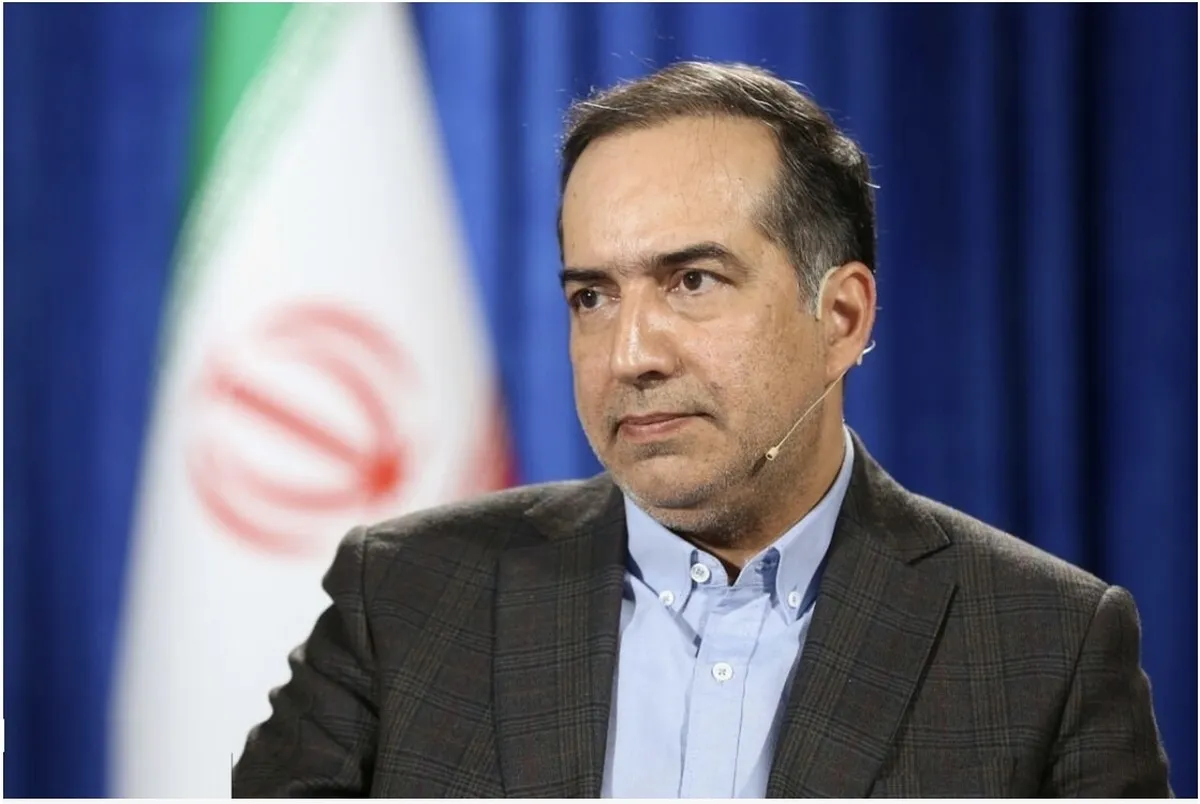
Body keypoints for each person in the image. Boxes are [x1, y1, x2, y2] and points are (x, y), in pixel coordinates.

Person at [232, 61, 1170, 798]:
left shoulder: (1047, 646)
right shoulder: (403, 597)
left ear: (842, 317)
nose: (630, 353)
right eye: (593, 296)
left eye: (693, 281)